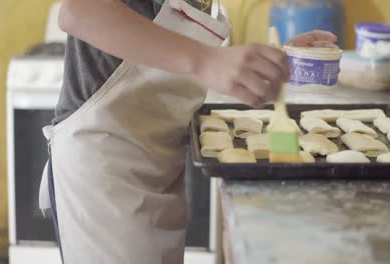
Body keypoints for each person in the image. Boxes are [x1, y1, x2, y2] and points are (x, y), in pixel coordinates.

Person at [39, 0, 338, 263]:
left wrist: (268, 64)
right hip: (102, 165)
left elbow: (169, 51)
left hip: (160, 165)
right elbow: (79, 11)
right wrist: (208, 62)